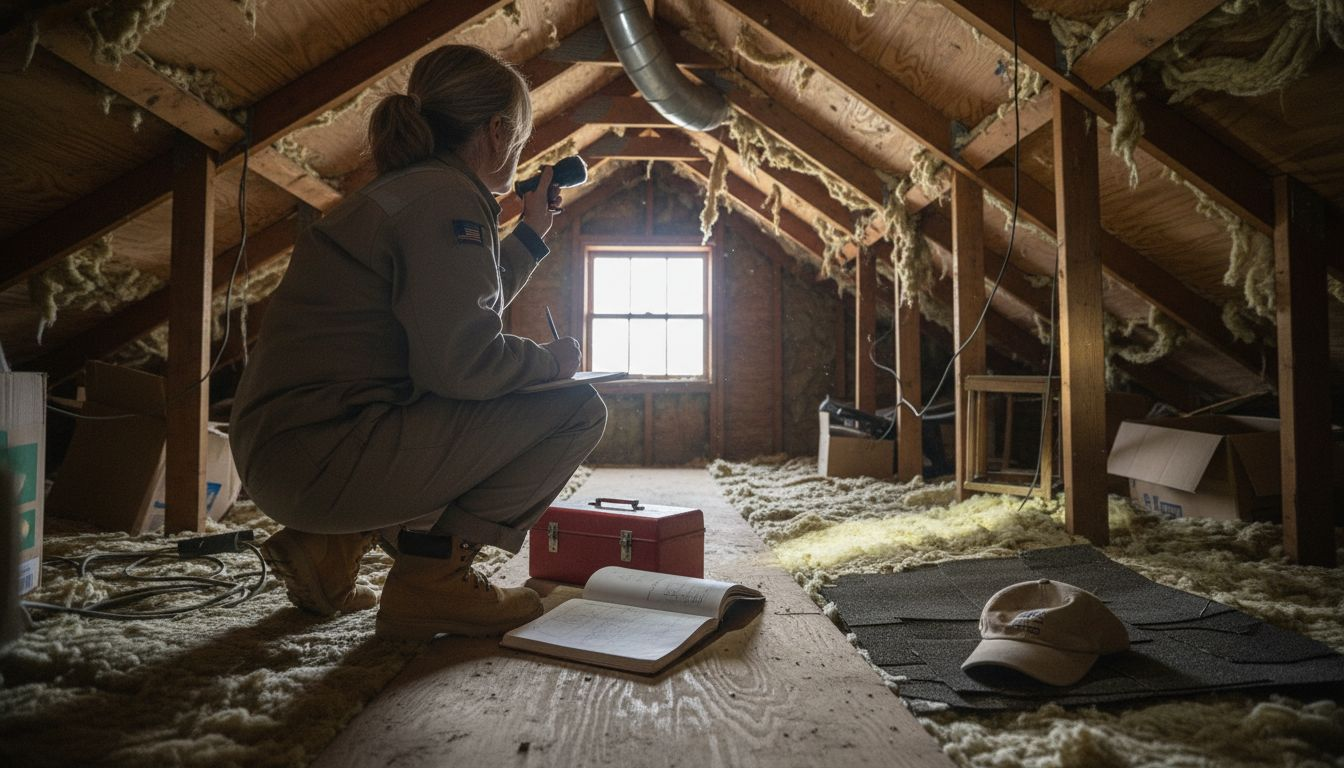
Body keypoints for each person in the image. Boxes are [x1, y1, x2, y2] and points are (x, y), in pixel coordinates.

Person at [228, 44, 606, 641]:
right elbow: (464, 365)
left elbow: (448, 310)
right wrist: (550, 362)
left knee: (443, 401)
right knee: (575, 410)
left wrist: (530, 235)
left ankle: (327, 547)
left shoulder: (412, 191)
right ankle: (432, 584)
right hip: (320, 459)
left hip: (285, 451)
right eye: (521, 134)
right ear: (498, 131)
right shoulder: (449, 200)